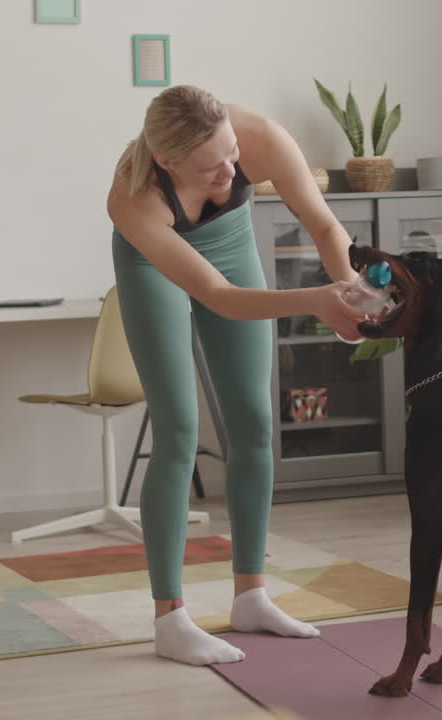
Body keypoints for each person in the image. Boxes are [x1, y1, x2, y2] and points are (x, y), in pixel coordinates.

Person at [106, 85, 365, 666]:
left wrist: (355, 299)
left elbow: (325, 227)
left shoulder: (259, 136)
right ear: (168, 161)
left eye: (232, 154)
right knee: (177, 431)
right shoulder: (133, 198)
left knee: (253, 423)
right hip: (153, 263)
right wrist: (315, 300)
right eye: (211, 167)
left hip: (230, 244)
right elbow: (219, 297)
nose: (230, 171)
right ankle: (170, 619)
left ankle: (251, 596)